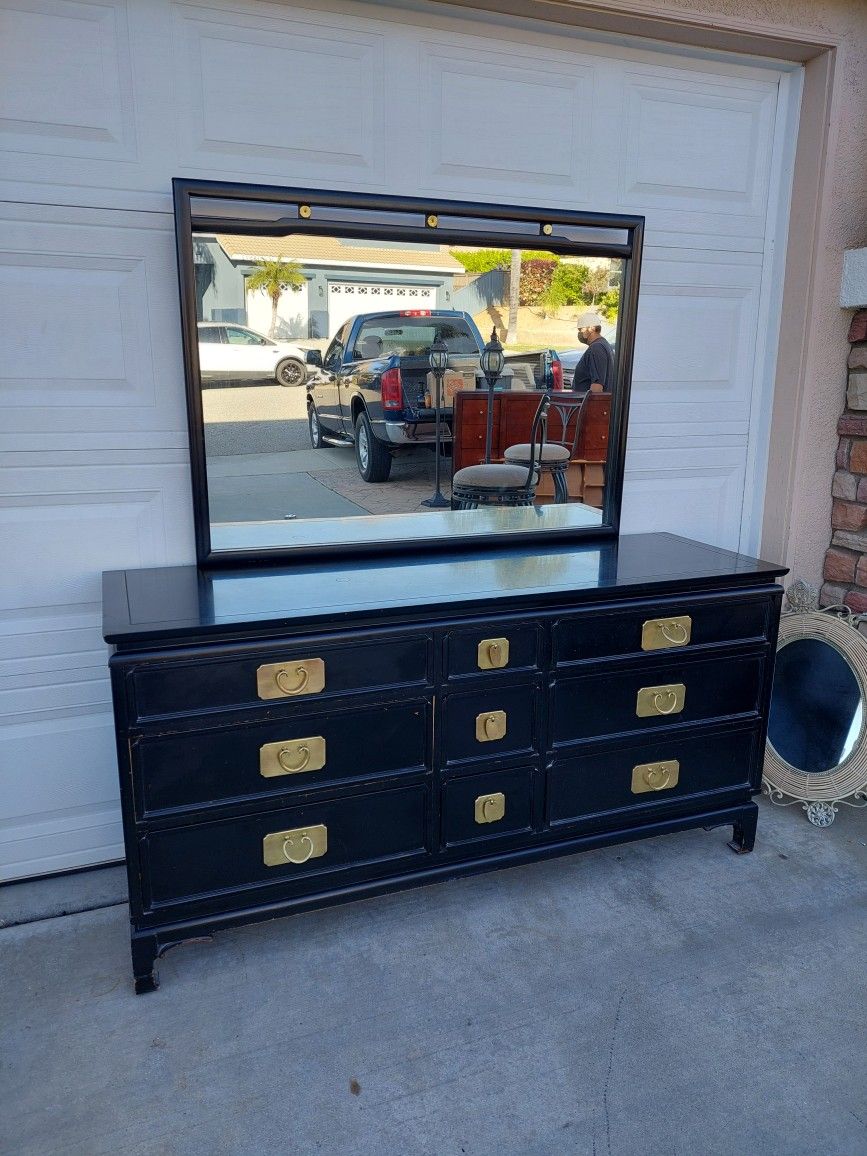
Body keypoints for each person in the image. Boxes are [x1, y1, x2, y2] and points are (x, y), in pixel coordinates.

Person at [571, 310, 614, 393]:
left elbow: (597, 388)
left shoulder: (596, 348)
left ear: (592, 328)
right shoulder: (603, 345)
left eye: (581, 329)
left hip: (591, 401)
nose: (579, 333)